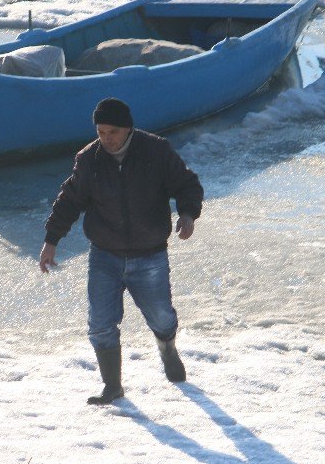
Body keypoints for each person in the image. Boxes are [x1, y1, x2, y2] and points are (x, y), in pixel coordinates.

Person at [39, 98, 204, 405]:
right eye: (100, 132)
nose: (106, 139)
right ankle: (112, 386)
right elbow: (69, 201)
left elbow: (187, 184)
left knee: (161, 316)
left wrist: (187, 213)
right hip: (105, 255)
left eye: (112, 131)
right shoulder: (89, 160)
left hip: (149, 254)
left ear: (127, 128)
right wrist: (51, 241)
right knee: (100, 322)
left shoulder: (156, 151)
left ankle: (167, 346)